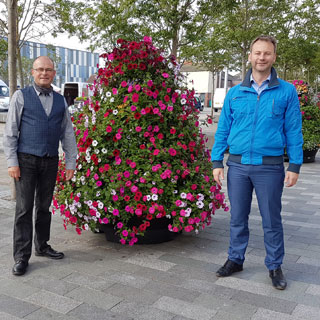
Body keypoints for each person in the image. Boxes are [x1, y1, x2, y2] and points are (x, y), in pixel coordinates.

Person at [211, 35, 303, 290]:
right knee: (237, 217)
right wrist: (217, 160)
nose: (262, 57)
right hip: (238, 167)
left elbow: (294, 130)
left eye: (267, 53)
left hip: (270, 167)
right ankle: (235, 259)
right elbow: (223, 129)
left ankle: (274, 265)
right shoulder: (235, 92)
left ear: (274, 57)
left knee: (271, 219)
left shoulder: (286, 91)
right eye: (257, 53)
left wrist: (294, 165)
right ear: (250, 56)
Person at [3, 56, 78, 276]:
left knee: (44, 207)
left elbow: (67, 133)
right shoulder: (20, 96)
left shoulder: (60, 100)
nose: (44, 73)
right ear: (33, 72)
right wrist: (12, 162)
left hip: (50, 160)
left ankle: (42, 245)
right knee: (24, 209)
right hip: (25, 160)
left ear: (54, 73)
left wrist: (70, 162)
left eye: (48, 70)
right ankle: (21, 256)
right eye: (40, 70)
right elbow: (10, 131)